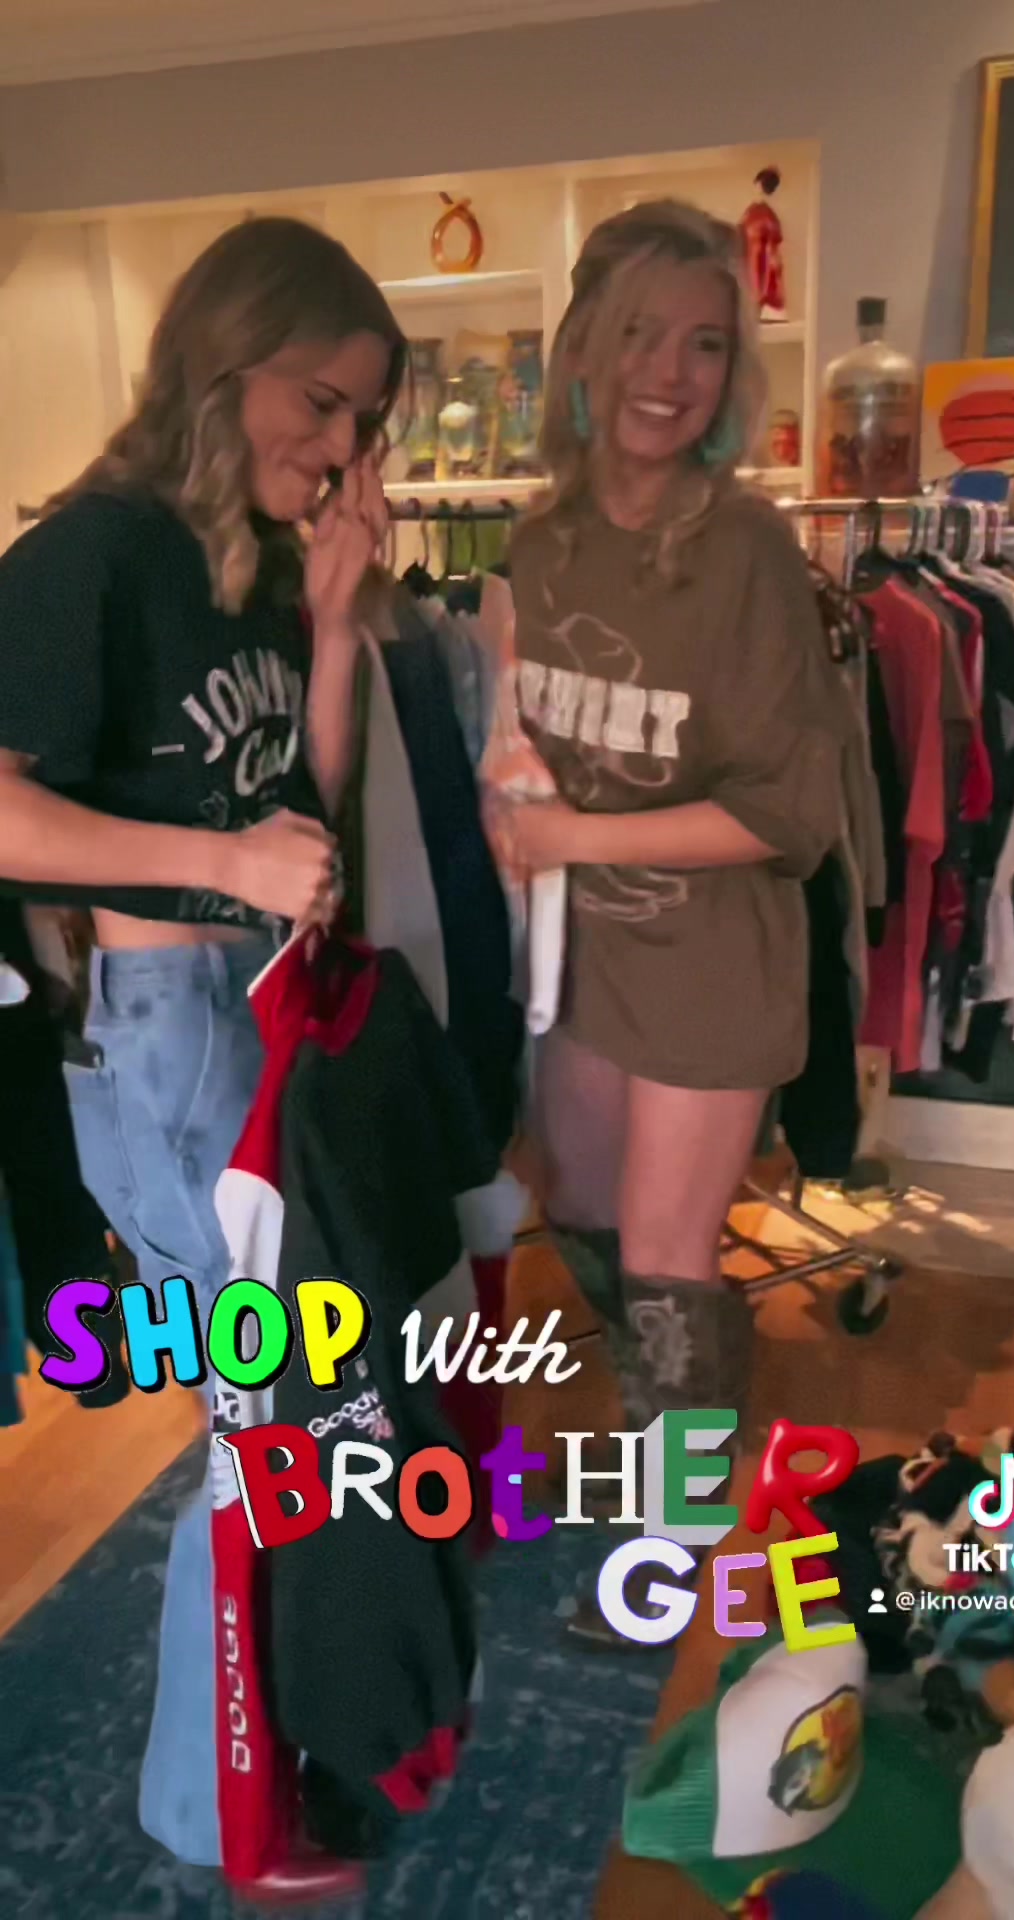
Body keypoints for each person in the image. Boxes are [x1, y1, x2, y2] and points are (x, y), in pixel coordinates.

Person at [0, 215, 404, 1867]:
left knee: (295, 1403)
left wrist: (334, 624)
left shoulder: (245, 561)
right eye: (323, 403)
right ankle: (210, 1797)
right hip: (165, 1039)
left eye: (364, 420)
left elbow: (298, 808)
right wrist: (219, 865)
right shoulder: (90, 555)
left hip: (257, 1011)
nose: (342, 447)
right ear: (224, 363)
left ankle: (255, 1752)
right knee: (265, 1422)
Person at [489, 200, 845, 1644]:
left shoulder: (746, 550)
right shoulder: (543, 540)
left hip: (709, 965)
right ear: (584, 347)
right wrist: (512, 767)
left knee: (666, 1264)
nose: (670, 372)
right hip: (581, 958)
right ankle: (686, 1398)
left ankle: (679, 1532)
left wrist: (573, 835)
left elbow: (788, 815)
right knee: (579, 1211)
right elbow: (530, 715)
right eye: (641, 333)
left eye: (705, 343)